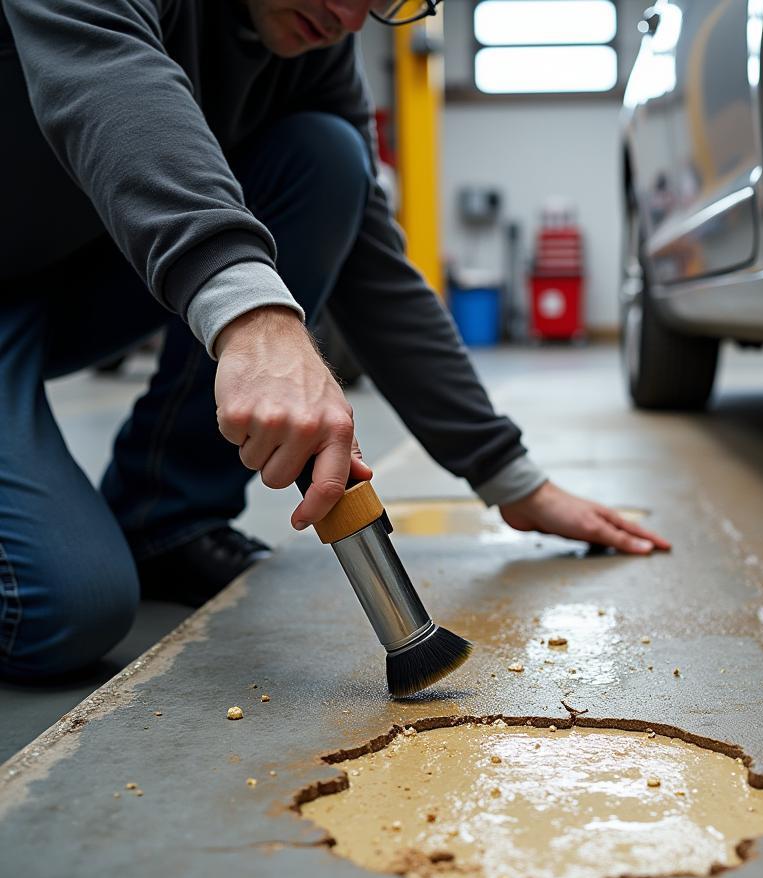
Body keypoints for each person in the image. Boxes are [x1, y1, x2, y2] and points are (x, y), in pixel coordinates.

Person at [0, 0, 670, 680]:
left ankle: (165, 519)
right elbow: (111, 75)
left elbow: (373, 263)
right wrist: (253, 314)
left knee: (327, 157)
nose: (354, 19)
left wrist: (509, 476)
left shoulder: (314, 49)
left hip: (56, 280)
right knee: (61, 610)